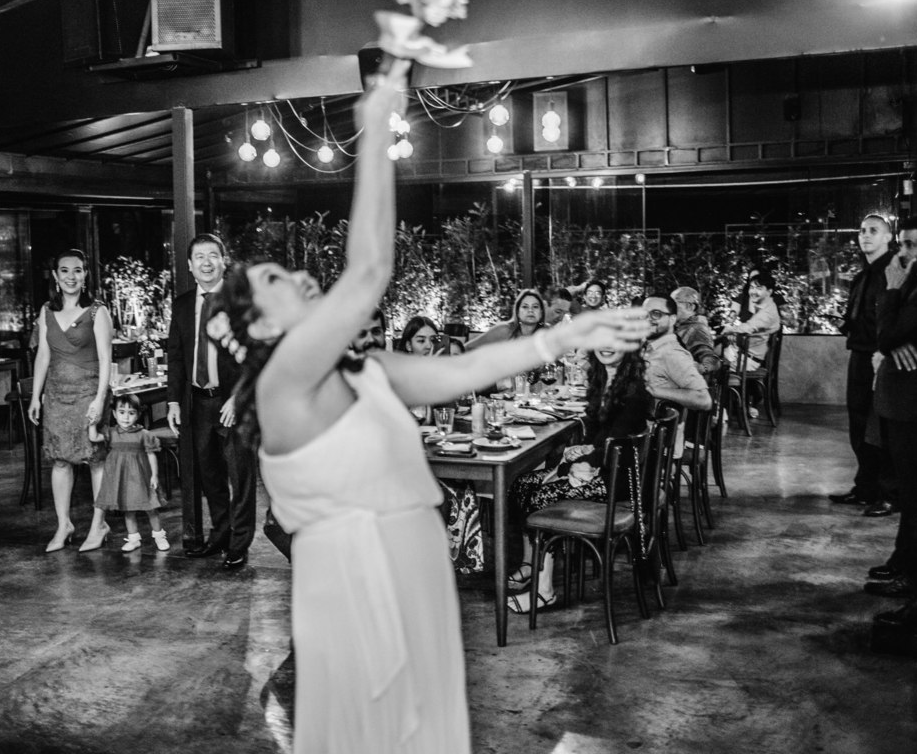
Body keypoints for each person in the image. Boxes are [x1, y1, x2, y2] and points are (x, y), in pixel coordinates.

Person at [209, 61, 650, 754]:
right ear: (261, 326)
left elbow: (465, 370)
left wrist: (564, 337)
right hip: (354, 583)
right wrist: (375, 121)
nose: (296, 275)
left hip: (413, 563)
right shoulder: (281, 384)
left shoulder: (364, 368)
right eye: (273, 279)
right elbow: (369, 270)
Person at [507, 346, 653, 614]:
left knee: (541, 497)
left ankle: (544, 591)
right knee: (521, 484)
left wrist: (582, 461)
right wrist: (582, 449)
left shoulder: (634, 392)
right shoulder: (606, 380)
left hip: (619, 482)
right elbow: (601, 434)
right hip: (607, 468)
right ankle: (531, 564)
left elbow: (617, 444)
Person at [866, 215, 917, 651]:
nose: (903, 252)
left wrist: (892, 294)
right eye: (902, 243)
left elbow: (886, 332)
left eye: (912, 244)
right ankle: (916, 584)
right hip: (906, 407)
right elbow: (890, 335)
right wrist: (893, 339)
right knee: (915, 503)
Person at [166, 233, 257, 570]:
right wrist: (173, 402)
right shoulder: (182, 305)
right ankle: (221, 534)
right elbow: (176, 356)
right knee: (210, 476)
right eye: (199, 257)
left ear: (223, 261)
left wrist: (238, 399)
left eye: (212, 255)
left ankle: (239, 543)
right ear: (190, 266)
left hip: (232, 403)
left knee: (240, 475)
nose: (206, 262)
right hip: (197, 403)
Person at [28, 249, 113, 553]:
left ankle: (99, 524)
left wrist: (100, 399)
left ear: (85, 274)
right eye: (64, 271)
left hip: (89, 393)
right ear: (55, 276)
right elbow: (43, 356)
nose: (71, 277)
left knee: (95, 459)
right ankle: (63, 524)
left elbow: (105, 359)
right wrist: (35, 396)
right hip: (56, 395)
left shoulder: (97, 312)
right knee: (60, 460)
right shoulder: (46, 311)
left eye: (77, 270)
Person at [830, 214, 896, 516]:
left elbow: (891, 316)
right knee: (858, 423)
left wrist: (884, 352)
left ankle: (889, 492)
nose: (865, 235)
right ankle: (866, 487)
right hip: (859, 354)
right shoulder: (863, 275)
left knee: (881, 426)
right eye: (862, 231)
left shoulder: (893, 271)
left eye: (874, 231)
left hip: (881, 356)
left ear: (888, 237)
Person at [87, 392, 168, 552]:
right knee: (128, 509)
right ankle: (133, 538)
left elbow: (151, 455)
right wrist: (92, 423)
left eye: (131, 413)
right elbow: (94, 437)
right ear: (114, 414)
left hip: (141, 477)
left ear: (138, 415)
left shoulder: (144, 435)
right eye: (122, 412)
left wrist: (154, 475)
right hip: (122, 477)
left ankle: (159, 536)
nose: (126, 417)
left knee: (150, 508)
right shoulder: (111, 433)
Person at [642, 295, 712, 414]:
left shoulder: (672, 353)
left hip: (647, 422)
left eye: (656, 314)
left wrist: (650, 390)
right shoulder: (651, 348)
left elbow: (704, 399)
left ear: (672, 319)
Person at [721, 271, 782, 371]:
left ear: (769, 292)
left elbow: (749, 327)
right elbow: (733, 315)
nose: (753, 291)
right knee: (711, 355)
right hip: (742, 352)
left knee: (710, 360)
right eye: (752, 287)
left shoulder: (767, 312)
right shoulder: (763, 305)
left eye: (759, 288)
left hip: (747, 359)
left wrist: (730, 330)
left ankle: (731, 380)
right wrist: (733, 332)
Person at [465, 288, 545, 350]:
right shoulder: (505, 330)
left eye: (535, 307)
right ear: (517, 312)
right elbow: (468, 348)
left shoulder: (546, 334)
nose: (530, 310)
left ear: (541, 312)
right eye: (525, 307)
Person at [669, 286, 722, 375]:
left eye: (674, 303)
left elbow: (711, 359)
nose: (669, 307)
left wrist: (701, 368)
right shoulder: (678, 326)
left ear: (690, 306)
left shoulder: (697, 330)